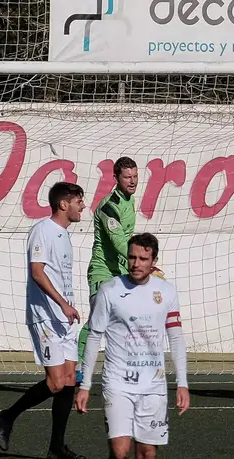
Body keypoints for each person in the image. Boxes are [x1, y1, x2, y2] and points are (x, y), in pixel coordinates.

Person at [76, 233, 190, 459]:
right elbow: (95, 336)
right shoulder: (110, 291)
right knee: (120, 453)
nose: (135, 263)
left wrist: (182, 382)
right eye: (132, 258)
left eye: (142, 258)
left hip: (153, 385)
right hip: (117, 382)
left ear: (154, 261)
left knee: (147, 456)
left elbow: (176, 338)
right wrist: (85, 385)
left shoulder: (165, 292)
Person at [0, 182, 86, 459]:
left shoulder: (63, 234)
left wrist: (68, 307)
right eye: (78, 200)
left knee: (69, 380)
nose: (83, 205)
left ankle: (56, 446)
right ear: (63, 204)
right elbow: (37, 272)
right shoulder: (42, 231)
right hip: (46, 316)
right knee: (57, 383)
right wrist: (62, 304)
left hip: (65, 318)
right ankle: (6, 417)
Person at [78, 157, 140, 387]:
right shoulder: (108, 206)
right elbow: (117, 242)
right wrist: (142, 260)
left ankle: (120, 369)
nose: (133, 181)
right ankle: (77, 367)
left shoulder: (129, 201)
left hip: (121, 271)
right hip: (102, 271)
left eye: (135, 176)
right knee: (97, 320)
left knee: (126, 320)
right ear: (116, 178)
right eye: (127, 177)